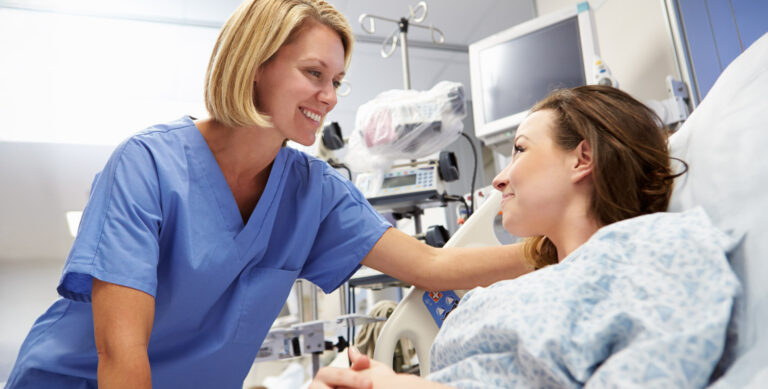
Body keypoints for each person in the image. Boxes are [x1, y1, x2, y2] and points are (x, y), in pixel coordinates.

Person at [5, 1, 530, 388]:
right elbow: (121, 354)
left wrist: (550, 250)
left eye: (337, 80)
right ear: (255, 65)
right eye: (313, 73)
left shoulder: (314, 193)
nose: (329, 97)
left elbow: (432, 268)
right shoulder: (147, 167)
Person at [311, 85, 740, 388]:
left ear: (582, 158)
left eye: (519, 149)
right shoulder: (502, 295)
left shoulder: (657, 251)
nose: (499, 179)